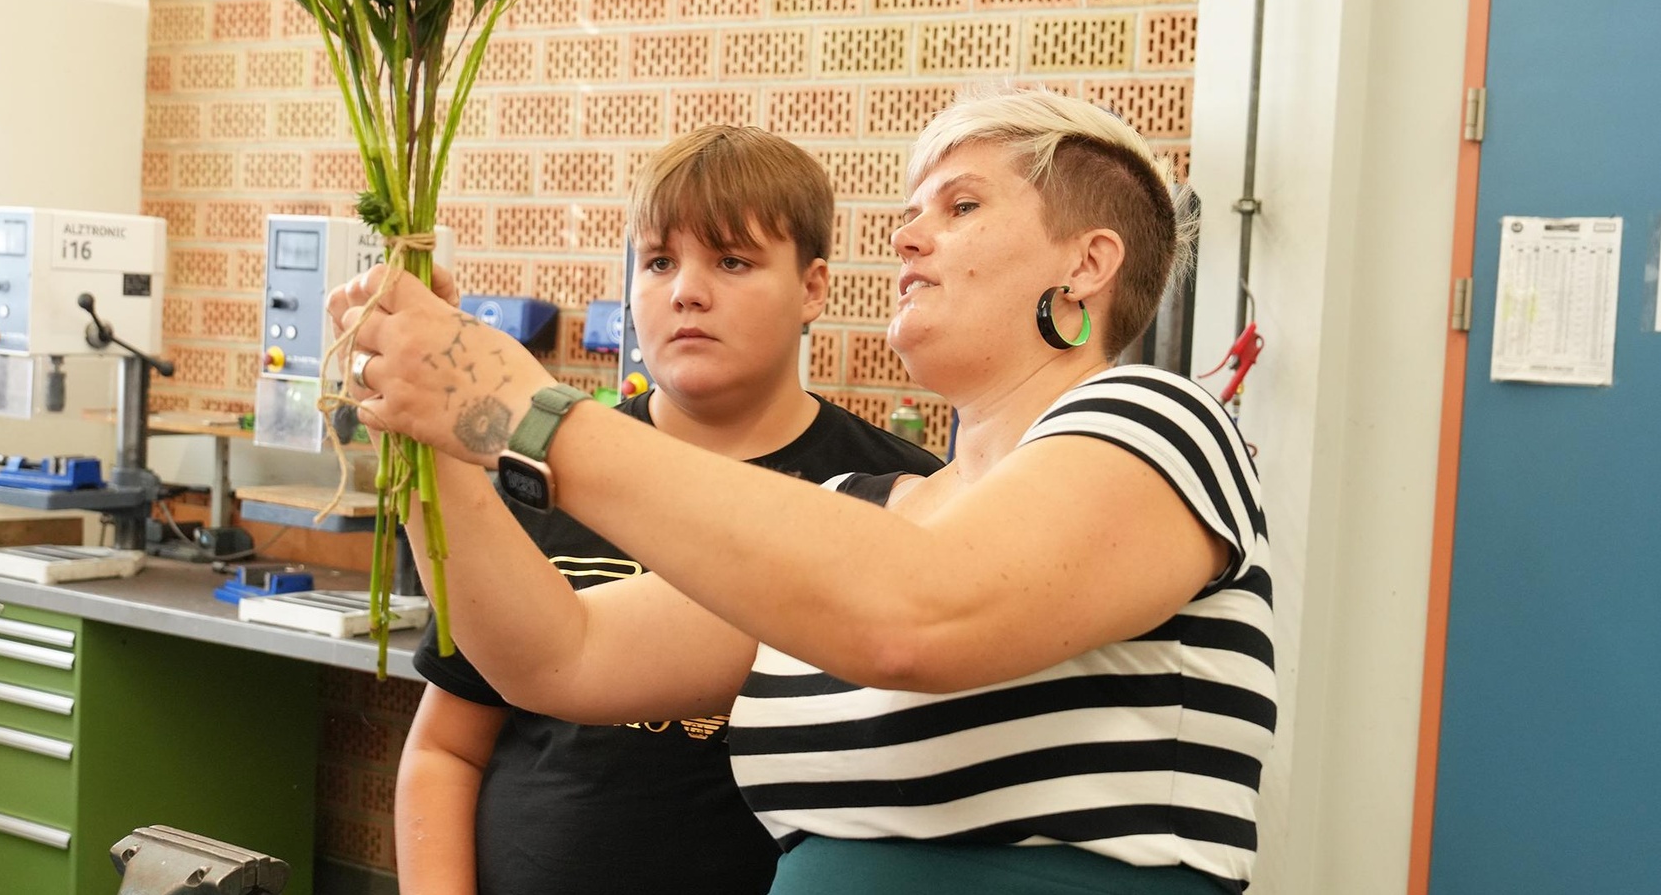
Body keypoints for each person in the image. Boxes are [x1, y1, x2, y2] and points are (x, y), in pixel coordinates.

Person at [336, 87, 1273, 895]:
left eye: (959, 205)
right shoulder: (866, 505)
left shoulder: (1162, 423)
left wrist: (525, 413)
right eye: (910, 211)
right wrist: (438, 441)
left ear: (1089, 262)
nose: (907, 235)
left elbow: (920, 611)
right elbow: (559, 656)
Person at [393, 125, 944, 895]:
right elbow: (444, 749)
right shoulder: (538, 471)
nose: (686, 289)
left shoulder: (900, 494)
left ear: (814, 287)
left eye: (732, 260)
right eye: (658, 261)